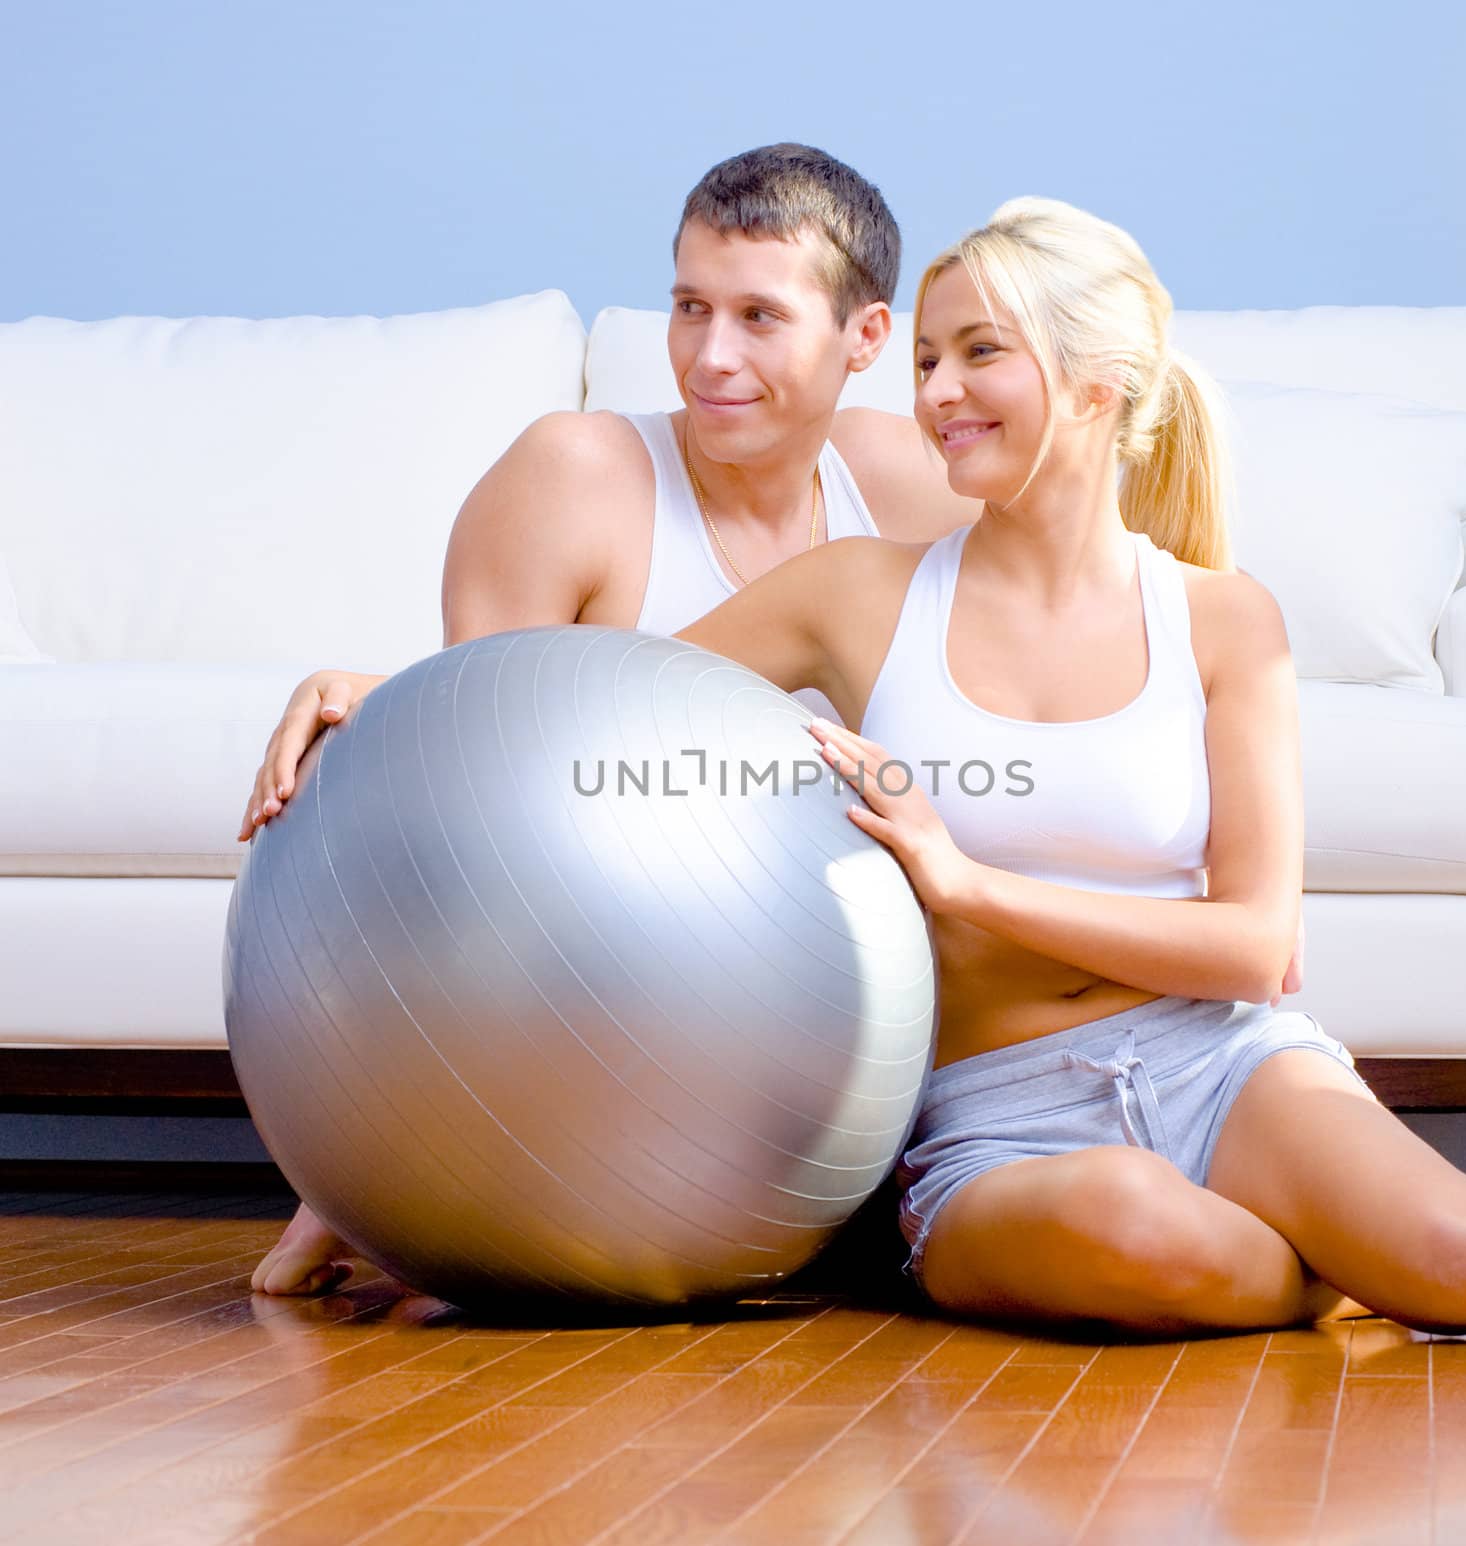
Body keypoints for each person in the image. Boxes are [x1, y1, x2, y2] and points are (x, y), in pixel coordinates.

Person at [240, 148, 1300, 1301]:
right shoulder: (574, 475)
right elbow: (476, 823)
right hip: (620, 1028)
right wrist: (363, 1174)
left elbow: (1082, 577)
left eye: (758, 316)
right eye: (688, 308)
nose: (710, 357)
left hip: (851, 1041)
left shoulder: (908, 476)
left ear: (862, 340)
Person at [669, 196, 1466, 1336]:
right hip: (988, 1118)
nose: (933, 393)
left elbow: (1257, 946)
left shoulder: (1222, 618)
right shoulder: (855, 592)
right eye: (922, 358)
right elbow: (606, 705)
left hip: (1221, 1064)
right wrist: (390, 695)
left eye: (977, 352)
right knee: (1135, 1226)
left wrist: (965, 884)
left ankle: (1384, 1249)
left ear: (1098, 382)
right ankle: (1339, 1264)